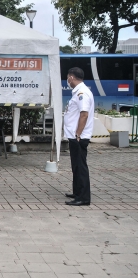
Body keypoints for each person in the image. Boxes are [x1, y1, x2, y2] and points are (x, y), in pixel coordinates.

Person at [64, 67, 94, 206]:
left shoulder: (82, 93)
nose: (67, 80)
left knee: (80, 166)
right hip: (74, 136)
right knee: (76, 166)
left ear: (71, 77)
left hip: (79, 137)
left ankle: (83, 197)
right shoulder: (77, 92)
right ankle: (77, 192)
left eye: (68, 77)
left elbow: (84, 114)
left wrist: (78, 134)